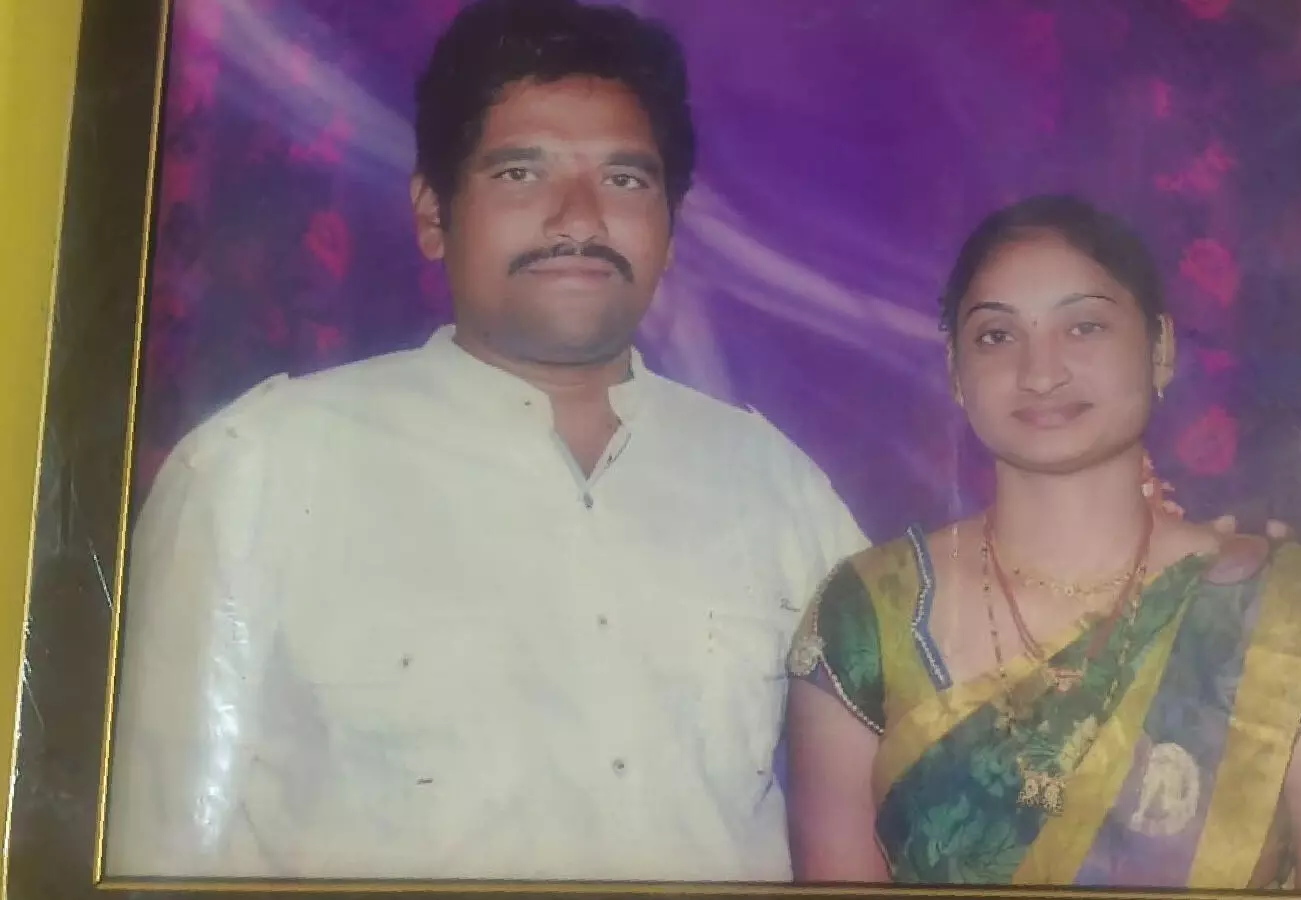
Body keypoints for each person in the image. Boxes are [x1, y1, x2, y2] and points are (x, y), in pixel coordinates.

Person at [103, 0, 867, 881]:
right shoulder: (257, 473)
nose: (579, 218)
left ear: (672, 226)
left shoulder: (774, 487)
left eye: (625, 179)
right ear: (434, 213)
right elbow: (151, 855)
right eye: (520, 172)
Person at [785, 195, 1301, 891]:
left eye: (1084, 327)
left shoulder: (1290, 613)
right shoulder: (869, 618)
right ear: (956, 373)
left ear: (1161, 349)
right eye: (997, 336)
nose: (1040, 372)